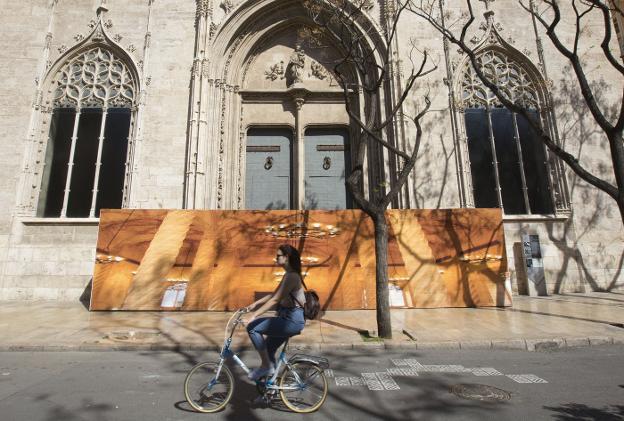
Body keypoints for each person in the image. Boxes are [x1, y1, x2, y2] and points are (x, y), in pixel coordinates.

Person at [244, 244, 306, 380]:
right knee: (269, 348)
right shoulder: (288, 275)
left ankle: (266, 366)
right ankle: (271, 388)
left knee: (252, 328)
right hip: (288, 319)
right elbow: (273, 295)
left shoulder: (292, 276)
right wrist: (255, 304)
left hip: (291, 321)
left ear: (286, 257)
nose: (275, 258)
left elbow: (275, 300)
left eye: (278, 255)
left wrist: (254, 315)